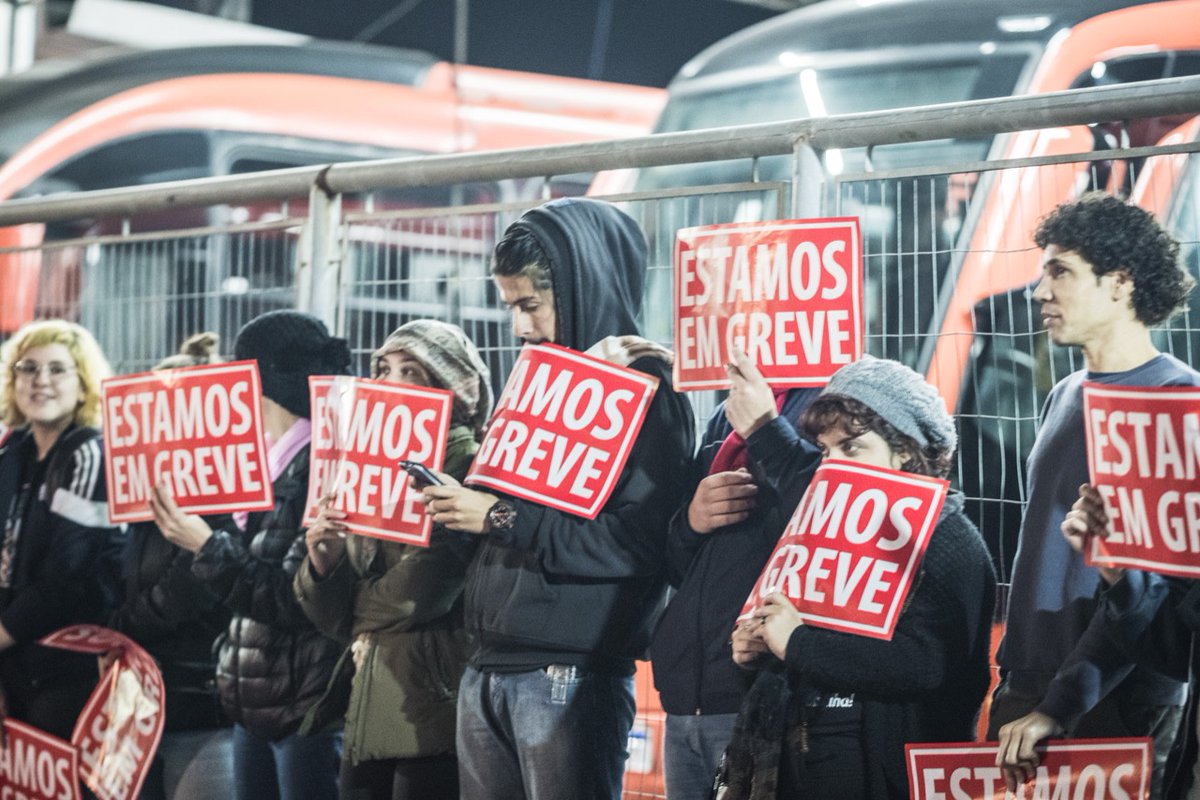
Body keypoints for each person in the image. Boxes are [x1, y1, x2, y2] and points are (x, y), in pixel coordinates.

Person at [418, 197, 695, 800]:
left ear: (576, 289)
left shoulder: (648, 394)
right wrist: (458, 512)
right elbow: (504, 526)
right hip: (488, 665)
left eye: (530, 305)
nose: (518, 326)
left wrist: (497, 515)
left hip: (567, 674)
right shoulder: (532, 388)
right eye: (510, 305)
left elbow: (639, 545)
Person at [990, 193, 1197, 799]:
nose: (1040, 291)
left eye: (1061, 271)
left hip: (1114, 699)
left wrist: (1061, 703)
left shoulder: (1179, 407)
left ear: (1120, 283)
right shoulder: (1066, 394)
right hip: (1031, 689)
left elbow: (1161, 591)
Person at [723, 355, 996, 799]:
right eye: (826, 451)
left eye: (852, 448)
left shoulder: (949, 540)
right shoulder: (819, 527)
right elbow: (803, 659)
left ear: (905, 449)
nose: (833, 464)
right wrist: (758, 653)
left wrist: (795, 643)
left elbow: (929, 667)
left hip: (881, 775)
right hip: (799, 764)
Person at [150, 310, 349, 800]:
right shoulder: (261, 462)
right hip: (255, 704)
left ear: (254, 379)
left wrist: (203, 544)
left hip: (305, 709)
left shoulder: (319, 466)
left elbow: (293, 598)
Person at [294, 319, 493, 800]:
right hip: (375, 695)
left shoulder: (469, 464)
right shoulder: (366, 463)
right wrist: (324, 561)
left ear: (449, 389)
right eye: (383, 368)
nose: (388, 383)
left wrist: (355, 617)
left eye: (411, 372)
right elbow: (329, 617)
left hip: (431, 702)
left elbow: (420, 593)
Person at [649, 346, 822, 800]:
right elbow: (680, 566)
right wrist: (691, 520)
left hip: (761, 695)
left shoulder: (835, 402)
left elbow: (837, 521)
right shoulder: (726, 416)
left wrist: (767, 431)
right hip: (689, 698)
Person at [108, 332, 235, 799]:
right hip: (143, 700)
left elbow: (188, 588)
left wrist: (120, 626)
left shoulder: (226, 494)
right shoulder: (141, 496)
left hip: (199, 701)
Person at [0, 319, 123, 741]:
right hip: (16, 663)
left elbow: (67, 578)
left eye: (57, 369)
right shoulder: (11, 454)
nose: (41, 381)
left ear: (84, 383)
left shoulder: (89, 452)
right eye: (28, 368)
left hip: (69, 674)